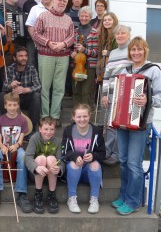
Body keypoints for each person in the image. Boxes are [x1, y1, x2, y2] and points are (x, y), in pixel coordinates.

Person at [112, 36, 161, 215]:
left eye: (139, 49)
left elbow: (160, 97)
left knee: (134, 163)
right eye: (133, 50)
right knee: (124, 161)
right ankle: (124, 195)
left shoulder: (154, 70)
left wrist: (148, 99)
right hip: (123, 123)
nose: (136, 52)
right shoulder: (126, 70)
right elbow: (118, 92)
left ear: (145, 50)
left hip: (141, 123)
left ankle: (133, 201)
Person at [34, 0, 74, 125]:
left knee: (59, 87)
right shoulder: (43, 15)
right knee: (44, 87)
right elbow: (36, 33)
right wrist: (49, 43)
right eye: (59, 0)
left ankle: (55, 116)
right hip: (46, 55)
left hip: (63, 56)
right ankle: (45, 116)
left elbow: (72, 37)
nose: (62, 3)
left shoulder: (68, 19)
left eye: (64, 1)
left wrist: (63, 44)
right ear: (53, 1)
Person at [0, 92, 32, 213]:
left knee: (23, 156)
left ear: (18, 105)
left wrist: (17, 145)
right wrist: (2, 146)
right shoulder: (0, 120)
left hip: (17, 147)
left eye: (14, 105)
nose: (12, 108)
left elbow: (21, 140)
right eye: (10, 105)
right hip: (3, 146)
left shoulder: (23, 120)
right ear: (5, 106)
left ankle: (22, 193)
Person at [61, 104, 105, 214]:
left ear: (90, 116)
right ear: (73, 117)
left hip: (88, 172)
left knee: (95, 164)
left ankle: (94, 199)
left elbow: (103, 153)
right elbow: (64, 152)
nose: (82, 119)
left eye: (85, 116)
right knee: (74, 164)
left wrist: (93, 156)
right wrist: (75, 157)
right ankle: (71, 198)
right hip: (73, 171)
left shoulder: (96, 131)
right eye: (79, 117)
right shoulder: (68, 130)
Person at [101, 25, 132, 165]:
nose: (120, 36)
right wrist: (104, 94)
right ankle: (106, 152)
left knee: (120, 125)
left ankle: (116, 154)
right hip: (111, 94)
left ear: (128, 35)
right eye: (117, 34)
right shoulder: (112, 53)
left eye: (123, 33)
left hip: (125, 94)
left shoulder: (133, 50)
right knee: (110, 125)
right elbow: (107, 76)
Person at [25, 116, 64, 214]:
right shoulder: (34, 138)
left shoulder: (58, 141)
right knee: (41, 158)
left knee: (51, 159)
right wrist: (36, 167)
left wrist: (59, 168)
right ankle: (38, 194)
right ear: (40, 129)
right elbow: (28, 157)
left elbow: (61, 160)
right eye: (46, 129)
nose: (48, 132)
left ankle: (52, 194)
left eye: (52, 129)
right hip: (36, 173)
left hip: (51, 174)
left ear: (55, 130)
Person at [1, 46, 41, 138]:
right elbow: (4, 86)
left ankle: (33, 128)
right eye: (21, 56)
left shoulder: (31, 68)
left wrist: (26, 90)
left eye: (25, 56)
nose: (24, 58)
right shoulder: (10, 69)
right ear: (15, 58)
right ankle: (6, 126)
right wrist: (11, 86)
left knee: (36, 96)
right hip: (13, 99)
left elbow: (38, 85)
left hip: (26, 98)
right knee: (3, 95)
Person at [70, 6, 98, 108]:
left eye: (86, 16)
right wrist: (72, 54)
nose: (84, 18)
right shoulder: (75, 31)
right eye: (82, 16)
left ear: (90, 17)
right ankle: (76, 115)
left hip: (89, 66)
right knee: (76, 91)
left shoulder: (94, 32)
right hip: (76, 66)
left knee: (86, 92)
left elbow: (96, 52)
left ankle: (86, 116)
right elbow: (70, 48)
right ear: (79, 16)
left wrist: (84, 50)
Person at [25, 0, 53, 68]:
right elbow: (30, 27)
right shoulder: (35, 8)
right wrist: (38, 43)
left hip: (54, 46)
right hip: (39, 46)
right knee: (38, 67)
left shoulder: (56, 8)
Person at [96, 12, 118, 84]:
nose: (107, 22)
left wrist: (108, 53)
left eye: (109, 20)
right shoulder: (103, 36)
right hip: (103, 70)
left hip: (113, 69)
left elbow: (120, 52)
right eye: (105, 20)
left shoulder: (117, 35)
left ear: (114, 21)